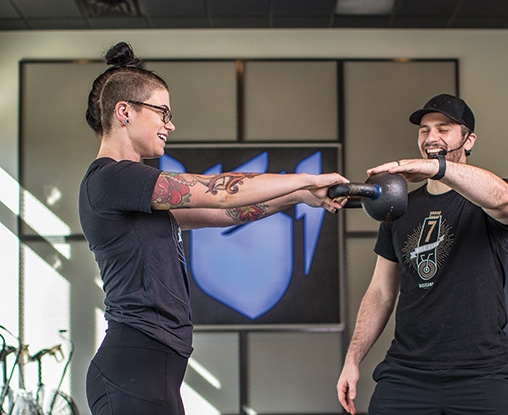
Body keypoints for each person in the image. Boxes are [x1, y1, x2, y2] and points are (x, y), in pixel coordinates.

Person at [79, 41, 349, 415]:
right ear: (124, 111)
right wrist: (304, 178)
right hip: (134, 366)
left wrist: (299, 197)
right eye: (162, 112)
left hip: (152, 368)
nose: (169, 125)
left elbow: (222, 213)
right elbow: (219, 192)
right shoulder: (112, 179)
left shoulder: (136, 188)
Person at [336, 93, 508, 415]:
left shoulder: (489, 197)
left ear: (469, 139)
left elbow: (506, 202)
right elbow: (381, 292)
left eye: (444, 128)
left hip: (484, 373)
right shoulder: (400, 209)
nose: (431, 137)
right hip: (407, 374)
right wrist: (352, 360)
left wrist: (434, 167)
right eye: (425, 130)